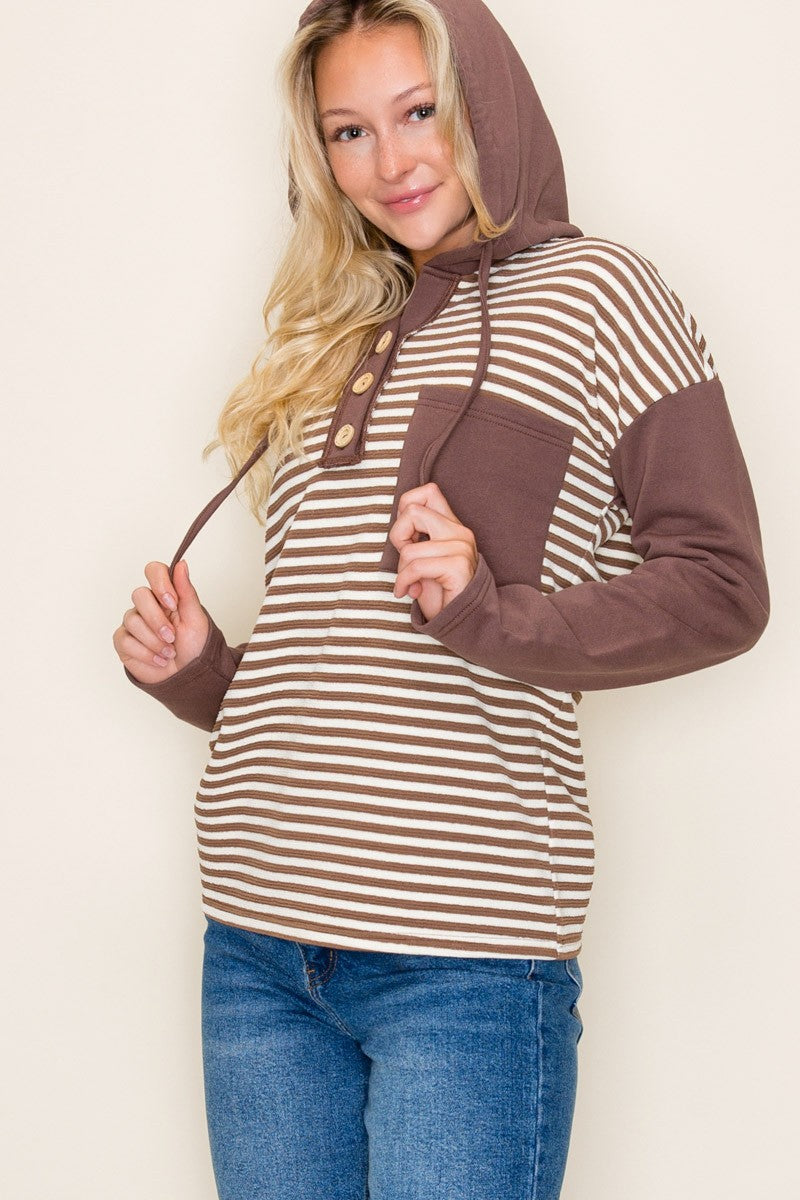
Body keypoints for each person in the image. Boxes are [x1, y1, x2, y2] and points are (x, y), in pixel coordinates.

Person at [112, 2, 769, 1197]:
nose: (390, 160)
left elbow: (721, 587)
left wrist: (487, 610)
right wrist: (203, 672)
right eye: (348, 131)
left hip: (462, 957)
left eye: (419, 112)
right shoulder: (338, 328)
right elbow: (349, 656)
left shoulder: (601, 293)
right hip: (256, 936)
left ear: (487, 103)